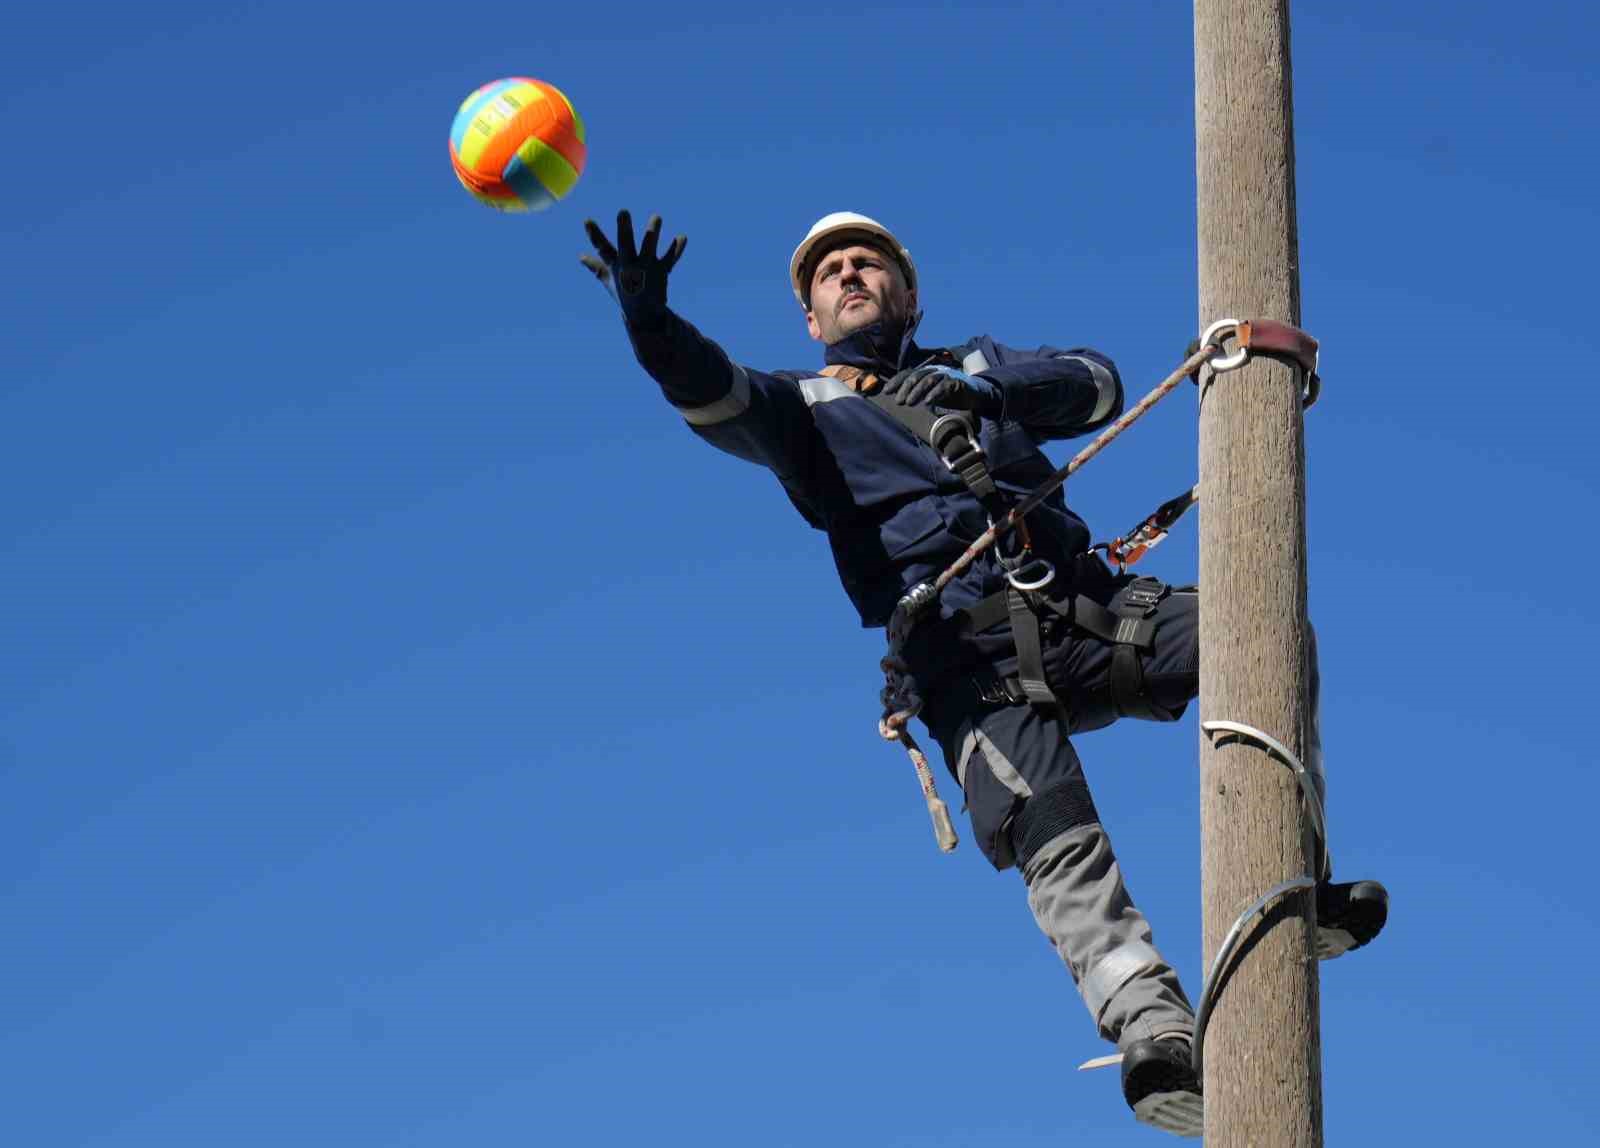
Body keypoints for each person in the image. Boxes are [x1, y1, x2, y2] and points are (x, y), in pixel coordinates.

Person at [580, 209, 1388, 1138]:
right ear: (810, 317)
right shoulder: (801, 411)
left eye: (867, 264)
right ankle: (1155, 1033)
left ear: (908, 294)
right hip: (970, 664)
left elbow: (1096, 384)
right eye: (830, 272)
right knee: (1056, 837)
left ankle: (1299, 879)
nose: (850, 277)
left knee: (1265, 630)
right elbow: (710, 388)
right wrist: (649, 322)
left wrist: (986, 390)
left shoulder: (972, 365)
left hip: (1083, 613)